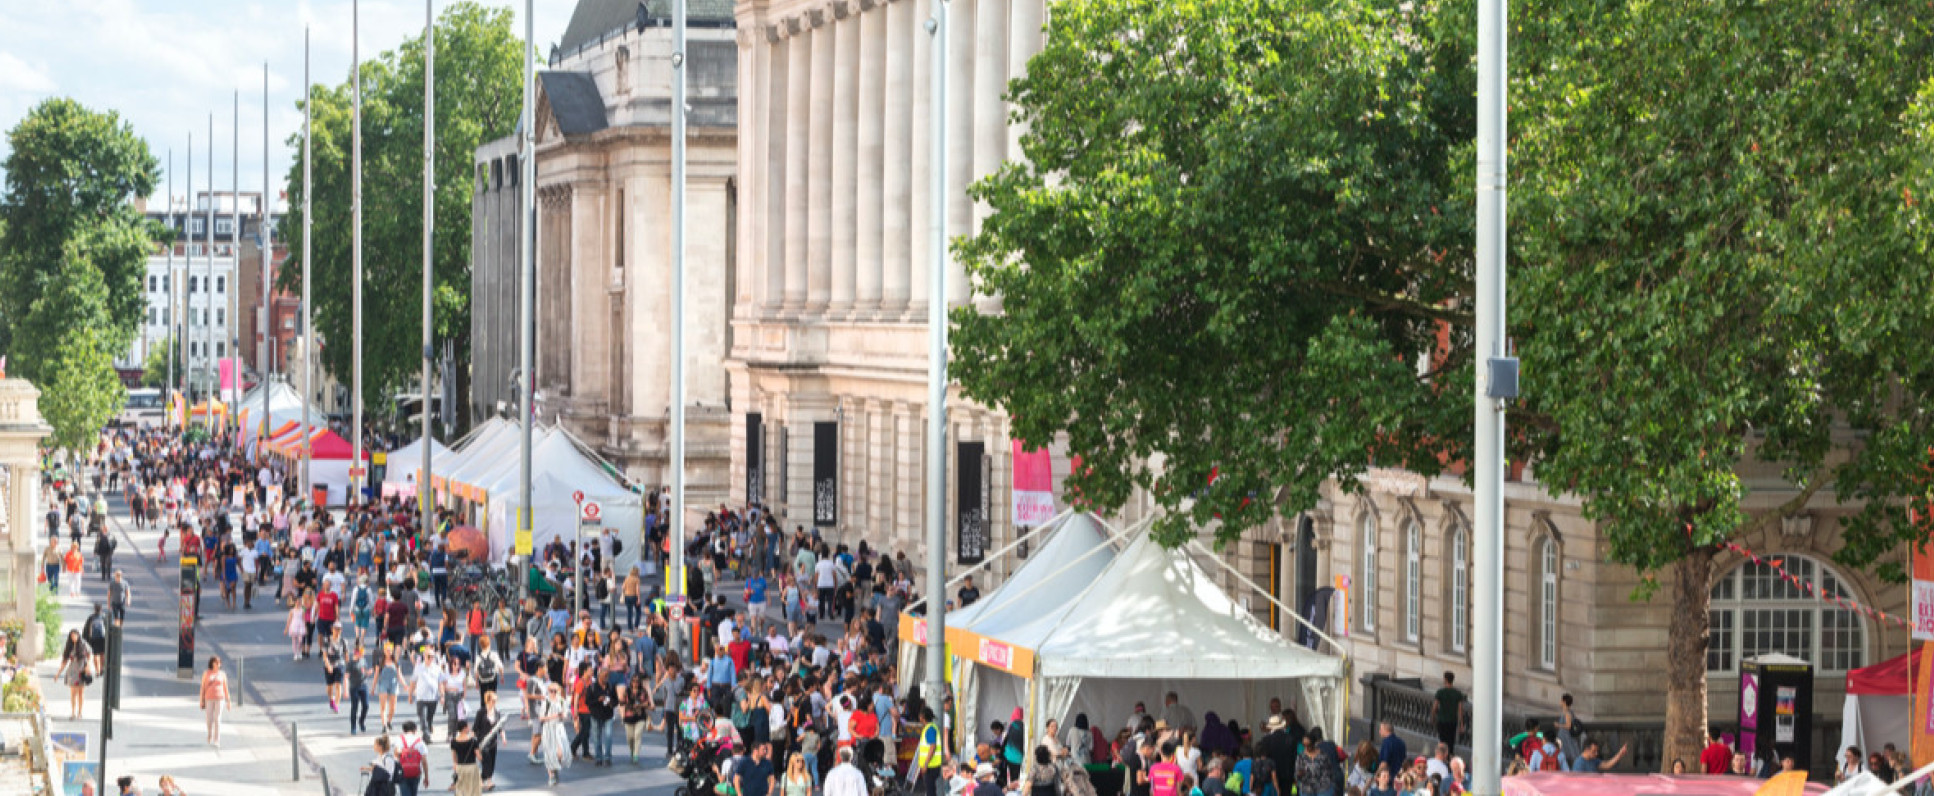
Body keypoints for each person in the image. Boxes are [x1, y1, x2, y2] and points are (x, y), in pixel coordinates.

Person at [537, 681, 573, 786]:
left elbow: (566, 714)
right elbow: (541, 718)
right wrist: (554, 715)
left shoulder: (562, 701)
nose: (552, 693)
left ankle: (555, 768)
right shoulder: (546, 702)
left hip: (559, 728)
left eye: (555, 691)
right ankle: (551, 775)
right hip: (548, 728)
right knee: (549, 752)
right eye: (550, 691)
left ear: (559, 691)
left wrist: (562, 716)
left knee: (560, 753)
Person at [58, 629, 93, 721]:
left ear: (78, 635)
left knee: (81, 693)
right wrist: (58, 673)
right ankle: (73, 712)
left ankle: (80, 712)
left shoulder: (84, 644)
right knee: (73, 693)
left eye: (75, 635)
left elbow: (90, 654)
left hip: (82, 671)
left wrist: (88, 665)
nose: (74, 638)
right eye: (72, 636)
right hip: (72, 672)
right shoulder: (69, 646)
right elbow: (65, 661)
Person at [472, 689, 503, 790]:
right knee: (487, 761)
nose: (494, 703)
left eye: (495, 701)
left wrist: (503, 736)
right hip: (482, 741)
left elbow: (500, 727)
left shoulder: (497, 712)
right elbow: (475, 727)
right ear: (487, 700)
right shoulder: (481, 712)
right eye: (492, 701)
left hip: (493, 742)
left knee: (492, 763)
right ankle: (489, 781)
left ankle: (481, 780)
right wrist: (472, 742)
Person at [1431, 673, 1466, 750]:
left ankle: (1443, 757)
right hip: (1452, 721)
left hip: (1442, 720)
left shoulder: (1440, 692)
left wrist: (1433, 717)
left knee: (1442, 740)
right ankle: (1450, 757)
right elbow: (1460, 710)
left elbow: (1435, 707)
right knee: (1451, 741)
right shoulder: (1457, 693)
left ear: (1445, 680)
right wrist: (1461, 724)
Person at [199, 656, 229, 747]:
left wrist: (228, 700)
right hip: (209, 698)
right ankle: (209, 734)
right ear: (212, 663)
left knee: (217, 718)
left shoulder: (222, 674)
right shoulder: (206, 673)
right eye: (216, 663)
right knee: (209, 719)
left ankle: (217, 740)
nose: (218, 665)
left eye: (219, 663)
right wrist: (201, 700)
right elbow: (203, 687)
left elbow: (225, 687)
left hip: (220, 698)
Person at [449, 719, 483, 796]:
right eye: (467, 727)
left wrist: (455, 764)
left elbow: (454, 756)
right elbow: (479, 757)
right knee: (473, 791)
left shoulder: (453, 742)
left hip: (460, 767)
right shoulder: (473, 741)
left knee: (460, 790)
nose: (469, 728)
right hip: (471, 767)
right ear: (464, 728)